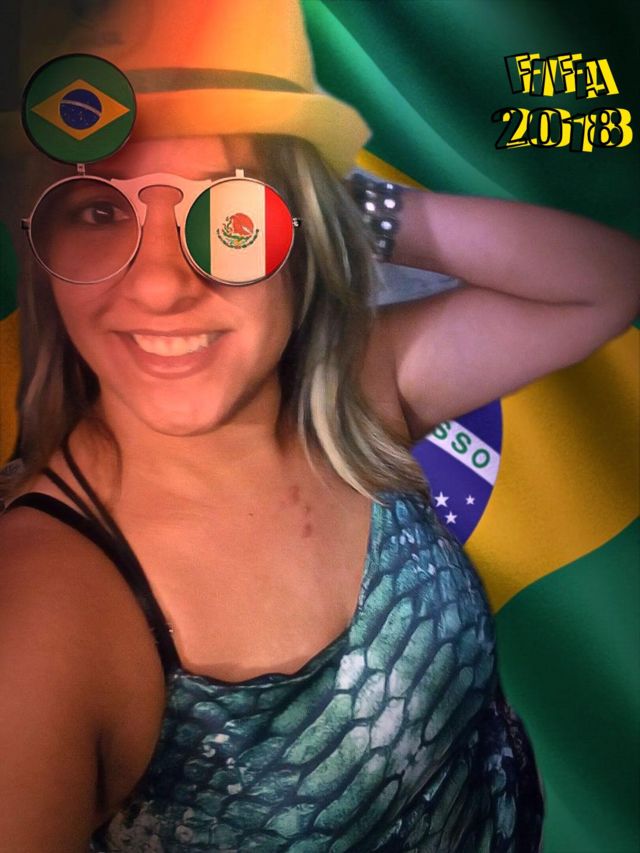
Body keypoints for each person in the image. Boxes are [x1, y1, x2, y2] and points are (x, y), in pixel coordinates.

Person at [0, 1, 638, 851]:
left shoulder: (348, 389)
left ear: (302, 227)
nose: (158, 285)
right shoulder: (42, 612)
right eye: (99, 211)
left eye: (226, 211)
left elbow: (606, 283)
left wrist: (369, 210)